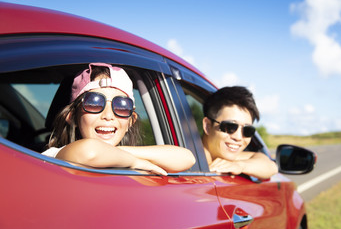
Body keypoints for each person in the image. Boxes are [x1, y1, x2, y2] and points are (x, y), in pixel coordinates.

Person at [43, 63, 195, 175]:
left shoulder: (123, 158)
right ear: (72, 118)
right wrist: (135, 162)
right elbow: (88, 151)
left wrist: (123, 154)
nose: (108, 115)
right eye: (94, 103)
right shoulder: (56, 155)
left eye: (121, 106)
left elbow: (187, 158)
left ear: (131, 120)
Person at [201, 86, 278, 179]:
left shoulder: (225, 158)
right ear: (207, 126)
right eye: (230, 127)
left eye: (247, 130)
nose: (238, 137)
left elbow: (271, 167)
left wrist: (240, 166)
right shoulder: (186, 160)